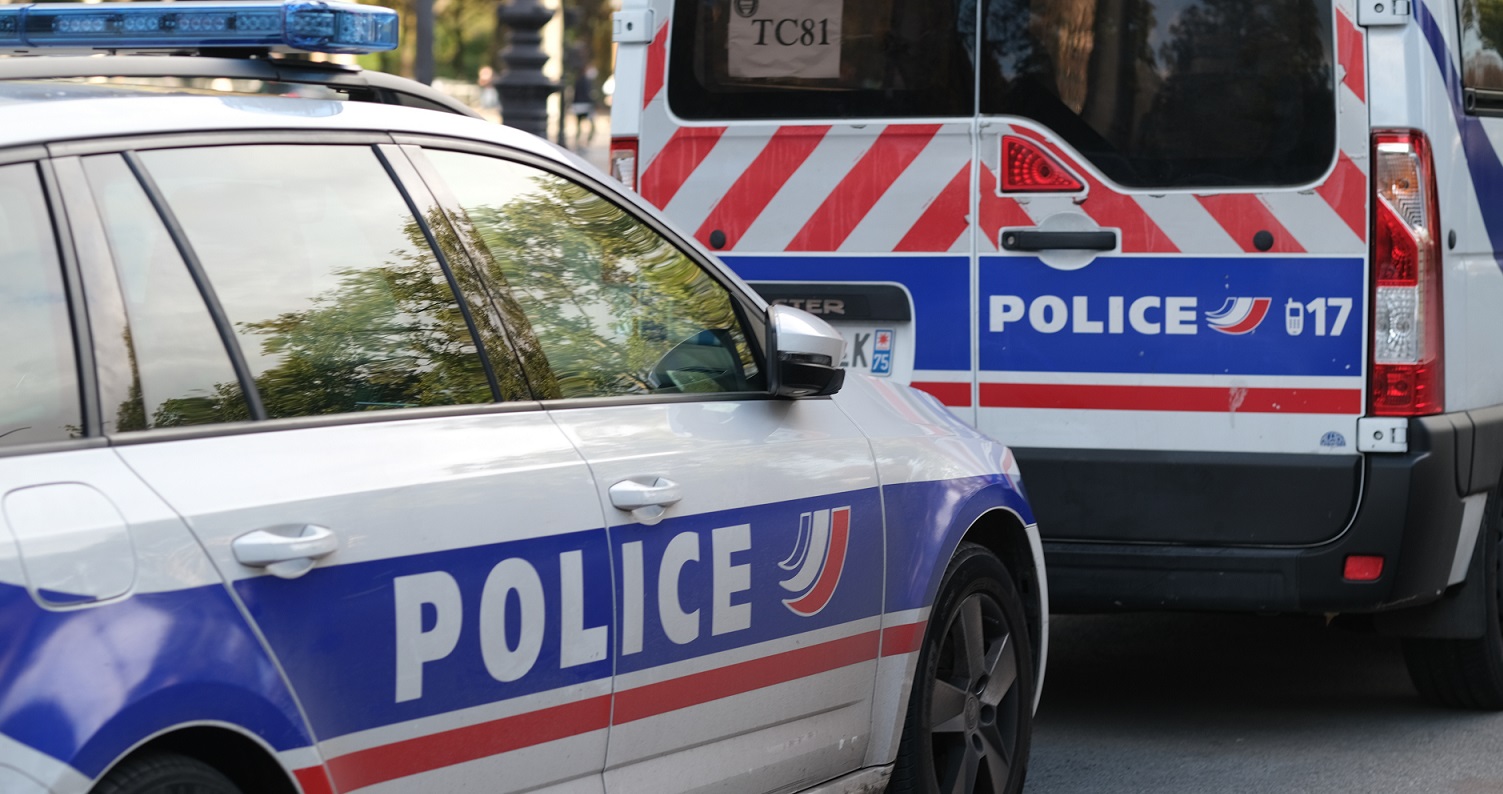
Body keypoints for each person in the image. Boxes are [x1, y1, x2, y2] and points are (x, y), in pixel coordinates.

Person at [571, 67, 596, 148]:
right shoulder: (587, 81)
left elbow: (575, 94)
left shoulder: (577, 81)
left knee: (578, 125)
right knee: (592, 125)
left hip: (577, 106)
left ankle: (577, 142)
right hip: (585, 105)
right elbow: (588, 93)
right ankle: (587, 141)